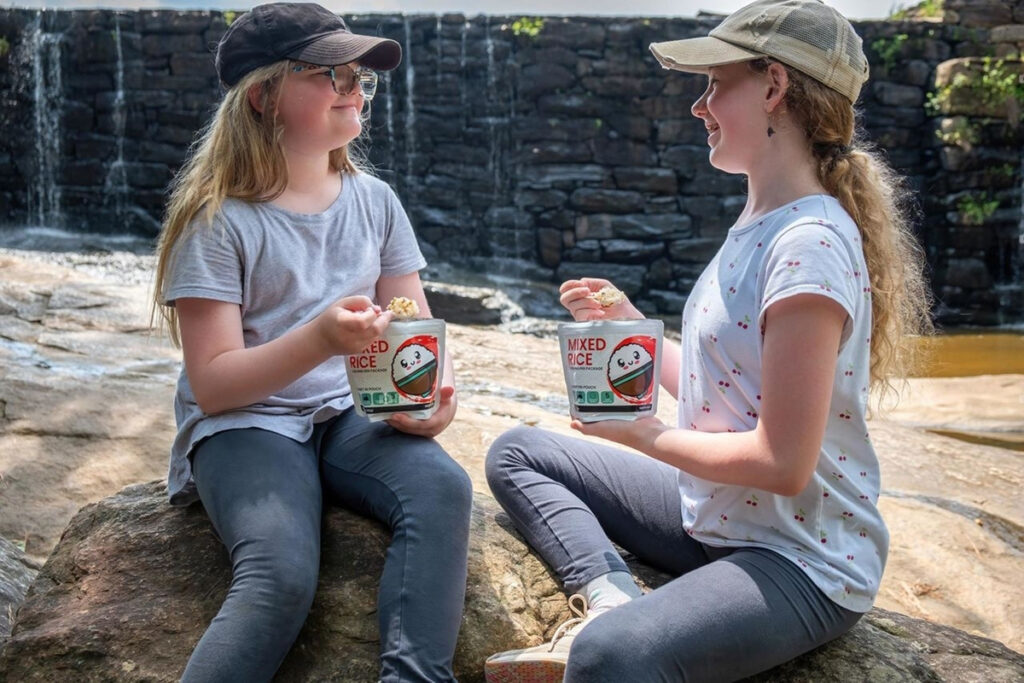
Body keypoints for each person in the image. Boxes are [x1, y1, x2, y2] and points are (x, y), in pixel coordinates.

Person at [483, 1, 933, 681]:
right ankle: (611, 594)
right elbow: (732, 382)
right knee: (518, 452)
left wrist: (641, 433)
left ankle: (616, 630)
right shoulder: (763, 215)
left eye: (716, 84)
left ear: (775, 87)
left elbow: (782, 460)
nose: (700, 106)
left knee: (612, 658)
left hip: (800, 557)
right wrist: (631, 326)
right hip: (715, 518)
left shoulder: (807, 244)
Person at [151, 4, 471, 682]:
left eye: (361, 77)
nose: (356, 90)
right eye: (333, 75)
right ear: (263, 96)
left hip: (348, 412)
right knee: (281, 571)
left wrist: (427, 403)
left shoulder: (376, 202)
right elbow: (214, 383)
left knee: (442, 486)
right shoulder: (217, 222)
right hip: (246, 424)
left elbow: (412, 331)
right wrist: (321, 338)